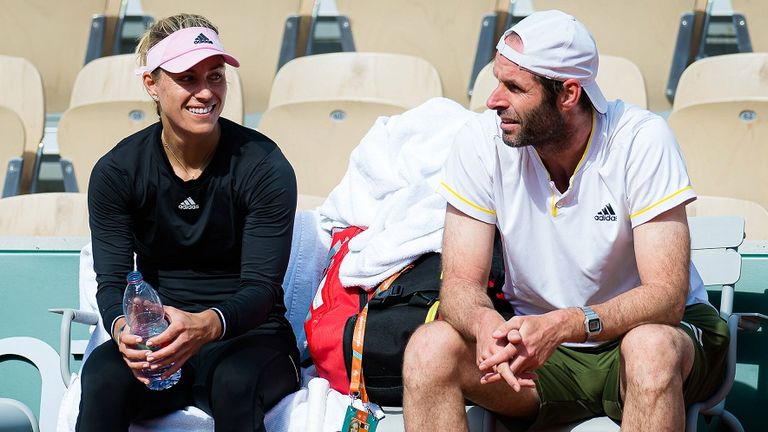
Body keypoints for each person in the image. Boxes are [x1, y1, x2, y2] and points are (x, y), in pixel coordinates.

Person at [402, 10, 729, 431]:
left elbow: (666, 298)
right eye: (497, 80)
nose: (493, 100)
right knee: (429, 348)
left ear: (569, 94)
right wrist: (485, 323)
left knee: (650, 349)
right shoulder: (480, 140)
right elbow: (460, 283)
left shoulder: (642, 138)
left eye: (514, 87)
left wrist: (564, 324)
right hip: (542, 352)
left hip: (654, 337)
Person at [77, 14, 300, 432]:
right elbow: (110, 282)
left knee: (236, 384)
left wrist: (206, 324)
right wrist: (124, 328)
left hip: (248, 336)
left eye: (215, 76)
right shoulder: (117, 172)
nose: (205, 92)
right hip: (159, 340)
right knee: (103, 377)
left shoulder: (263, 165)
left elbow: (262, 289)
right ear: (151, 84)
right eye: (187, 78)